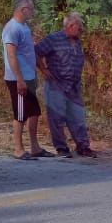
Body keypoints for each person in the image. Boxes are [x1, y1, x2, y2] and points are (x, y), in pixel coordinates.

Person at [35, 11, 95, 159]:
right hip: (56, 84)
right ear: (71, 25)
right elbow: (36, 51)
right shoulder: (53, 39)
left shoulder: (77, 41)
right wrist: (43, 69)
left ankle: (83, 147)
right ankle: (61, 148)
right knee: (56, 119)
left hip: (73, 86)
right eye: (79, 28)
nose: (81, 31)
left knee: (78, 118)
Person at [3, 0, 46, 159]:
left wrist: (40, 69)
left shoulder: (24, 27)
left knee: (34, 111)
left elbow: (30, 50)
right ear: (23, 10)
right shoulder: (11, 28)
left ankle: (35, 147)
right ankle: (18, 149)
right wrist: (19, 79)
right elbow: (11, 56)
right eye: (31, 9)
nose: (33, 12)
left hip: (29, 76)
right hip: (17, 79)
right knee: (20, 114)